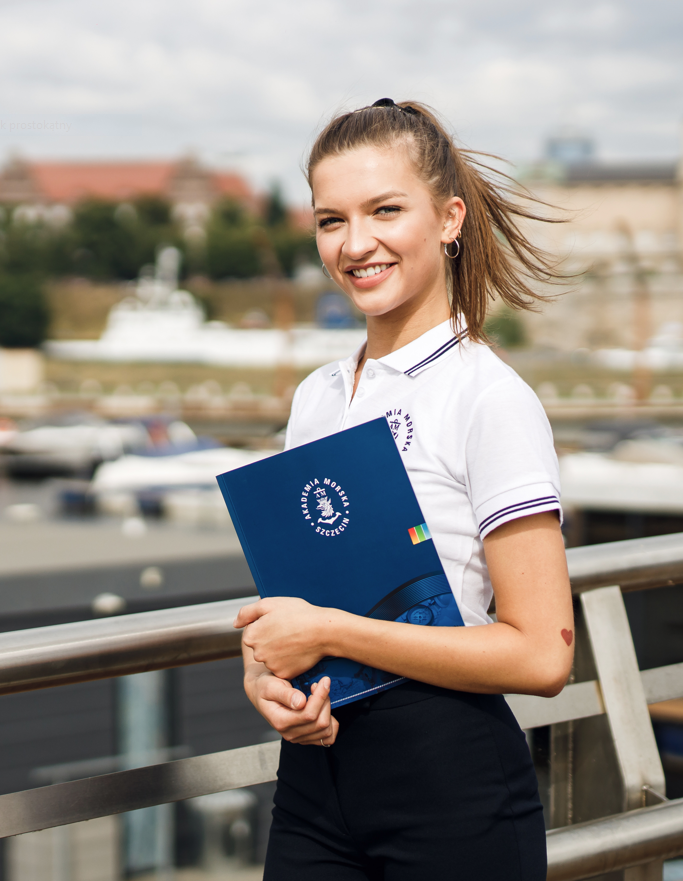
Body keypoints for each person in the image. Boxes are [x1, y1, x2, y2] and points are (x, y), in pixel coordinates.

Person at [233, 99, 573, 880]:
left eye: (384, 210)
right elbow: (297, 605)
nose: (355, 244)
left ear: (449, 218)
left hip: (451, 790)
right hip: (315, 786)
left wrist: (331, 631)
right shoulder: (315, 396)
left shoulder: (488, 397)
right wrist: (266, 675)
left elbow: (540, 655)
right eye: (330, 220)